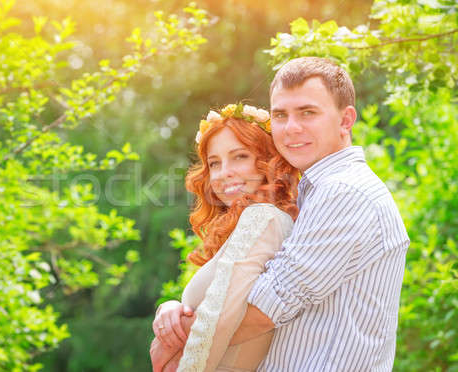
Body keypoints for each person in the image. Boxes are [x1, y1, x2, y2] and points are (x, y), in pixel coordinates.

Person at [152, 57, 410, 372]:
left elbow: (266, 308)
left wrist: (174, 337)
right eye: (280, 115)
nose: (291, 128)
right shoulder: (309, 195)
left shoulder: (344, 192)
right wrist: (175, 310)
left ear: (346, 121)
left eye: (308, 113)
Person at [150, 102, 301, 371]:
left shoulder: (263, 218)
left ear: (268, 161)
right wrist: (172, 309)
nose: (224, 173)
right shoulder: (258, 223)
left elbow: (218, 319)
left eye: (240, 156)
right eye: (214, 163)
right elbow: (217, 304)